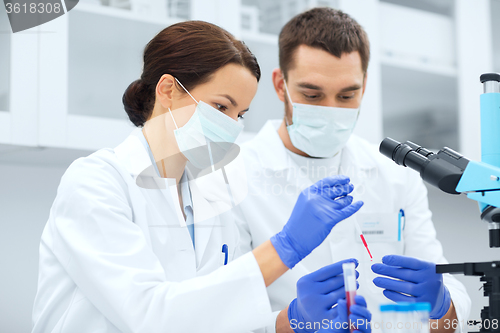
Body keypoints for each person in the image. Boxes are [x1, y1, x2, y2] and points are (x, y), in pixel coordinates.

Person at [31, 21, 371, 333]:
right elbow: (150, 317)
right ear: (167, 91)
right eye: (221, 107)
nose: (232, 125)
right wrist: (286, 247)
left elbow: (213, 321)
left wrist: (291, 321)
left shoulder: (211, 197)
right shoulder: (96, 182)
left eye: (240, 114)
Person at [201, 7, 471, 333]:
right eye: (312, 94)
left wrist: (441, 305)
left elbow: (453, 317)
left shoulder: (395, 176)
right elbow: (215, 315)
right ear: (279, 84)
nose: (331, 110)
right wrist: (292, 322)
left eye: (347, 95)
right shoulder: (228, 177)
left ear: (364, 85)